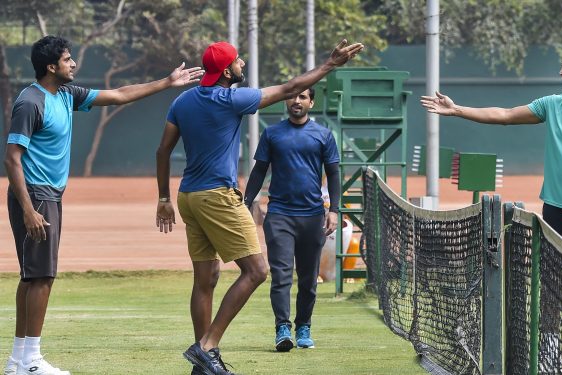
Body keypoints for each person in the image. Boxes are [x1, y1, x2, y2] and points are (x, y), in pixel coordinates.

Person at [155, 40, 362, 375]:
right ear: (226, 71)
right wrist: (330, 64)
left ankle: (203, 365)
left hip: (188, 196)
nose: (242, 64)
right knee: (257, 271)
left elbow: (163, 151)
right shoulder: (233, 98)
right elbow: (292, 87)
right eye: (238, 61)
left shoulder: (183, 100)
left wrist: (163, 198)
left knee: (205, 278)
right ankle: (206, 347)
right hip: (218, 196)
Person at [421, 46, 562, 374]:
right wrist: (457, 110)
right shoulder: (552, 104)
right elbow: (504, 115)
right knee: (551, 283)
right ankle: (550, 353)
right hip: (557, 211)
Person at [2, 35, 203, 375]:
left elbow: (119, 95)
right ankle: (30, 361)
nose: (74, 64)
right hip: (36, 195)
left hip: (47, 195)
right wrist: (28, 208)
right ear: (52, 67)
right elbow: (11, 159)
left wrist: (168, 82)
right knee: (41, 278)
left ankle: (19, 361)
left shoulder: (65, 94)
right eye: (67, 60)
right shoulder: (30, 102)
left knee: (33, 277)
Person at [243, 86, 339, 352]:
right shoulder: (272, 134)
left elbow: (333, 175)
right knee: (281, 275)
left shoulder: (323, 135)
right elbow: (259, 171)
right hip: (279, 216)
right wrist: (246, 203)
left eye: (302, 97)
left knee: (308, 279)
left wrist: (334, 210)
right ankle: (282, 328)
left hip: (312, 217)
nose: (296, 101)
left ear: (311, 102)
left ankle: (304, 326)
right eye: (292, 96)